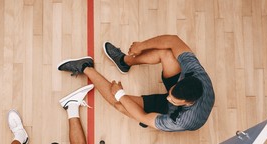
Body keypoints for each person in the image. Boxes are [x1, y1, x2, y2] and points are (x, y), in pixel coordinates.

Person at [57, 35, 215, 132]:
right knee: (166, 53)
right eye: (171, 93)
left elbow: (144, 117)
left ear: (187, 103)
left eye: (173, 99)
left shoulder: (181, 120)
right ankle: (124, 61)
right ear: (186, 77)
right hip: (185, 95)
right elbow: (173, 40)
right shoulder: (196, 73)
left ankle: (85, 67)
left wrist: (120, 94)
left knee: (119, 104)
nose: (168, 97)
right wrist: (141, 46)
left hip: (169, 112)